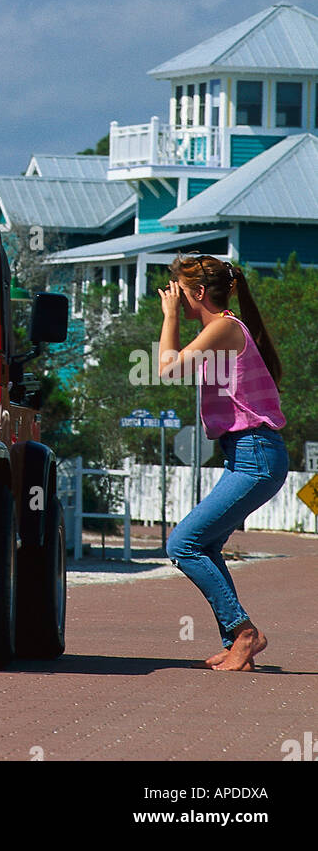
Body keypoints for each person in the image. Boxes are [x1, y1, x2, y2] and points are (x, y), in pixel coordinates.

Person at [158, 252, 288, 672]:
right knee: (205, 545)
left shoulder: (224, 328)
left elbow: (167, 369)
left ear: (197, 293)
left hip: (256, 454)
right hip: (246, 454)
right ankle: (238, 641)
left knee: (183, 544)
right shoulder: (222, 328)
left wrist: (170, 316)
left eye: (180, 291)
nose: (174, 296)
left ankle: (245, 632)